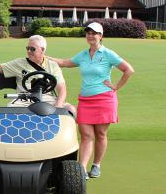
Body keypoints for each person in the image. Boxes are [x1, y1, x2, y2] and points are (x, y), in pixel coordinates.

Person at [52, 22, 134, 179]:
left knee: (101, 134)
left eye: (94, 33)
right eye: (88, 33)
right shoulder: (83, 55)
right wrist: (43, 56)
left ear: (100, 36)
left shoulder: (108, 54)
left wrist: (116, 86)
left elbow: (129, 70)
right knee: (86, 135)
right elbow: (64, 63)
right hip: (86, 100)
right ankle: (82, 168)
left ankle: (96, 165)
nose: (90, 35)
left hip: (104, 99)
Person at [0, 35, 73, 112]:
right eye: (27, 48)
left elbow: (62, 89)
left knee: (71, 109)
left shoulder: (53, 65)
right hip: (24, 99)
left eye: (32, 49)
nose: (29, 51)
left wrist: (58, 105)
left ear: (42, 50)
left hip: (47, 98)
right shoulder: (19, 63)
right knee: (9, 111)